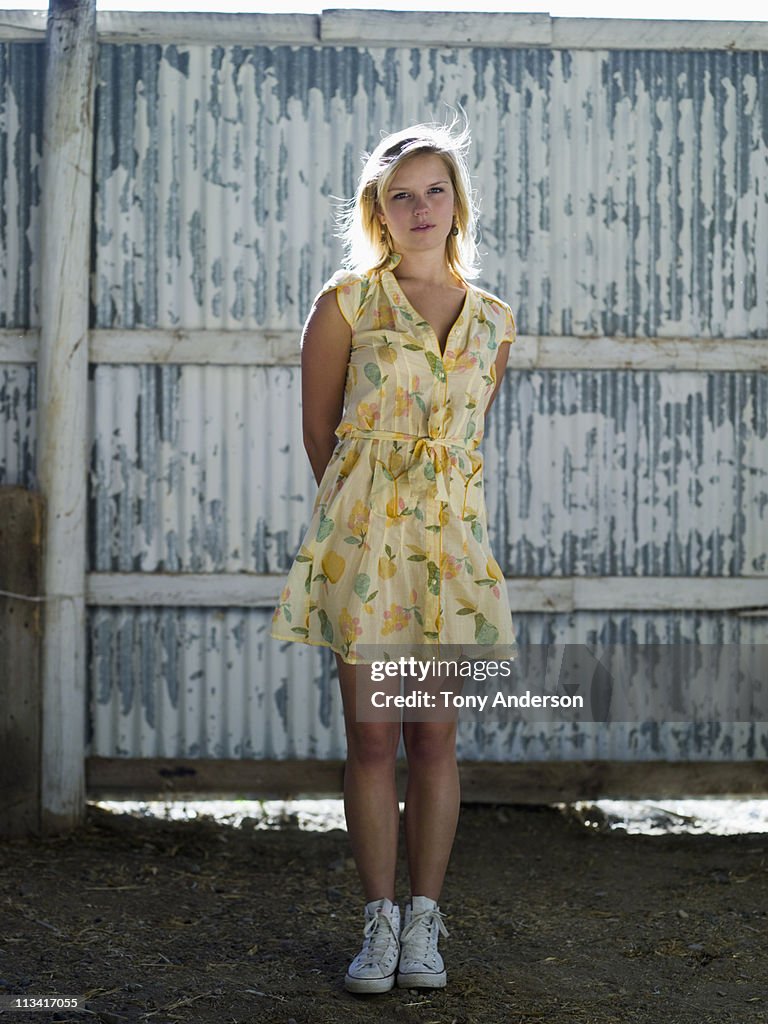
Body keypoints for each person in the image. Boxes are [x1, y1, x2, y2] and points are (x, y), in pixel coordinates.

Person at [271, 119, 518, 993]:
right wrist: (364, 528)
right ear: (379, 210)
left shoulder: (493, 321)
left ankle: (425, 927)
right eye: (400, 194)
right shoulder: (348, 302)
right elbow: (319, 434)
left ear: (457, 204)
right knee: (374, 739)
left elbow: (463, 443)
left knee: (436, 739)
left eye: (434, 191)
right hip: (366, 546)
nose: (420, 207)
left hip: (448, 553)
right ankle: (376, 925)